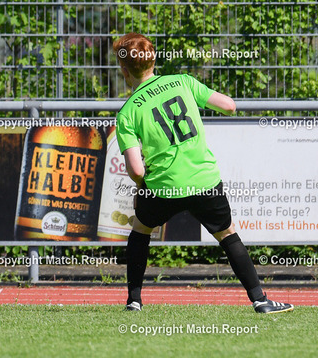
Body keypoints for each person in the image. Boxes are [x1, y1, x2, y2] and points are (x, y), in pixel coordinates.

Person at [114, 32, 293, 314]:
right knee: (227, 234)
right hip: (204, 180)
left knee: (141, 230)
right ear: (154, 60)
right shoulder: (183, 82)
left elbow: (136, 169)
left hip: (163, 186)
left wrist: (141, 186)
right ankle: (260, 299)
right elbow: (229, 106)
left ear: (124, 70)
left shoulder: (127, 113)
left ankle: (134, 301)